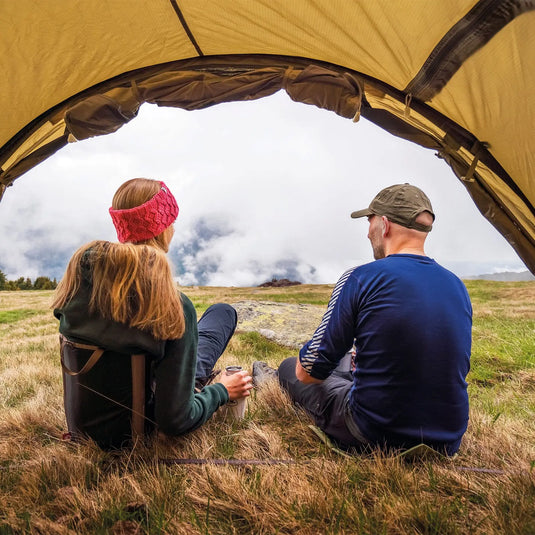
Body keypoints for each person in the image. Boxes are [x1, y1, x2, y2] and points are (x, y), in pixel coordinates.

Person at [259, 183, 472, 456]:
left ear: (384, 225)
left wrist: (309, 356)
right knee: (348, 361)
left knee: (291, 368)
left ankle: (271, 380)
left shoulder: (362, 277)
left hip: (373, 430)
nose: (367, 232)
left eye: (369, 222)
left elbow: (309, 372)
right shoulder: (457, 285)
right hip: (448, 437)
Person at [53, 178, 252, 449]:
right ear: (161, 228)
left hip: (86, 428)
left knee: (219, 314)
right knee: (222, 315)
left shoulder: (79, 284)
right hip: (138, 432)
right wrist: (221, 391)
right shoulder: (172, 305)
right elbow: (176, 421)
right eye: (170, 221)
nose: (173, 228)